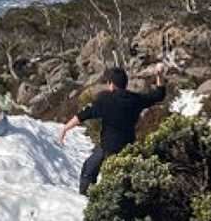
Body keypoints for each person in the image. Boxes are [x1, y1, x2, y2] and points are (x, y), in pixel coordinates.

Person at [58, 65, 166, 195]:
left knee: (89, 170)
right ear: (125, 84)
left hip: (107, 149)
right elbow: (159, 95)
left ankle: (87, 199)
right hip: (129, 148)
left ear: (111, 84)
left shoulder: (105, 99)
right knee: (125, 181)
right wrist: (159, 75)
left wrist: (65, 128)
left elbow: (83, 115)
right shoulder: (136, 99)